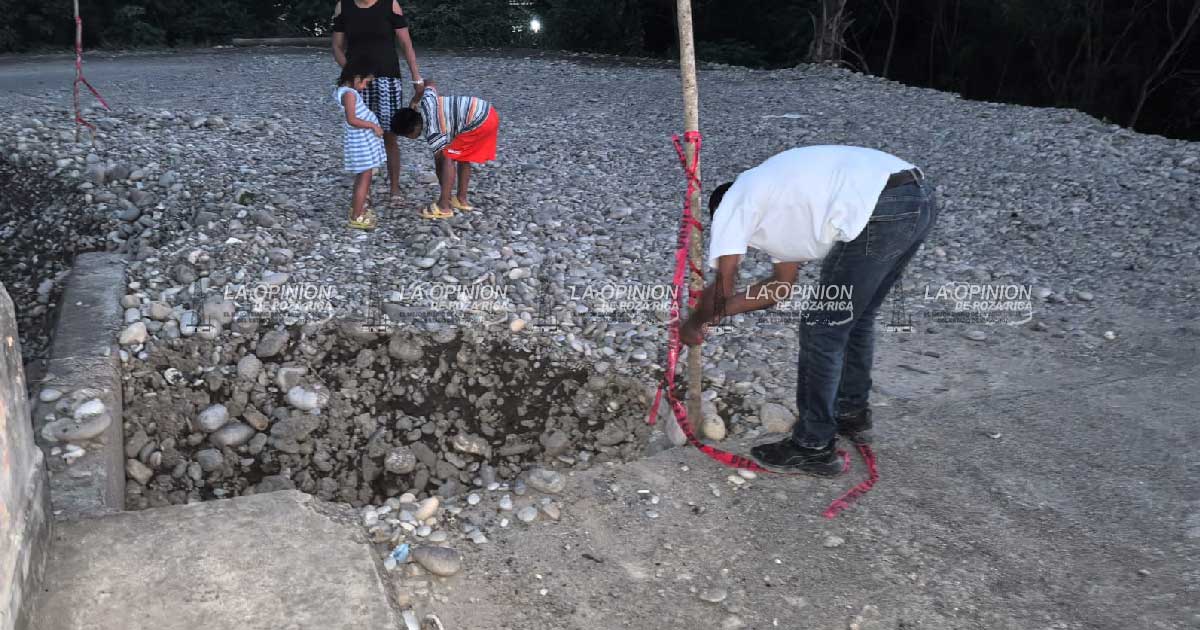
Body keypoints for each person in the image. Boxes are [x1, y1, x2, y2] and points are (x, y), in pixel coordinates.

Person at [680, 145, 939, 476]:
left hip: (883, 205)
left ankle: (813, 446)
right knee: (854, 318)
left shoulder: (734, 200)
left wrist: (694, 322)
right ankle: (851, 414)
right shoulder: (779, 207)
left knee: (822, 329)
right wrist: (715, 316)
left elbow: (725, 282)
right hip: (918, 198)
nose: (745, 245)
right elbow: (779, 288)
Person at [332, 0, 423, 210]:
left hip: (387, 78)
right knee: (362, 133)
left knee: (389, 134)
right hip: (358, 83)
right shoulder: (343, 6)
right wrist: (352, 72)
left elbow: (405, 43)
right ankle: (366, 190)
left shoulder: (390, 5)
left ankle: (395, 190)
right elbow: (336, 47)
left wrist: (416, 77)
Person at [390, 79, 500, 220]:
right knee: (462, 155)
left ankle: (444, 206)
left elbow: (441, 162)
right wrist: (416, 98)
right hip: (488, 112)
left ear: (412, 130)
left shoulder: (433, 131)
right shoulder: (427, 102)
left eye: (407, 136)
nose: (410, 138)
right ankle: (461, 199)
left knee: (449, 157)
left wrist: (444, 190)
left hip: (478, 121)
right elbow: (430, 82)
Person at [334, 61, 386, 230]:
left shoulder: (347, 92)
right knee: (365, 176)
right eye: (365, 82)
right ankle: (357, 216)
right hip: (360, 142)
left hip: (363, 140)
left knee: (364, 176)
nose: (364, 87)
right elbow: (352, 119)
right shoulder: (349, 94)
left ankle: (358, 208)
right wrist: (373, 125)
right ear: (356, 78)